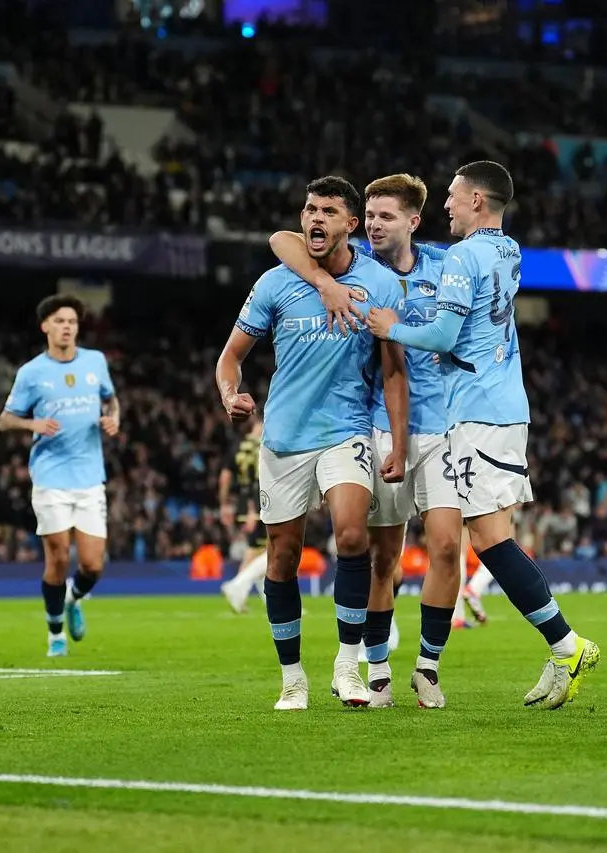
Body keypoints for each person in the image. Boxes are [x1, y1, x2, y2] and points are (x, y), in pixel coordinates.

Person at [367, 161, 600, 710]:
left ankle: (568, 645)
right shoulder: (507, 250)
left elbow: (446, 333)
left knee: (490, 537)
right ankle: (563, 646)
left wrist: (390, 328)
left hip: (480, 411)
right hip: (495, 405)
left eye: (452, 196)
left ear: (476, 200)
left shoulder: (464, 257)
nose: (446, 205)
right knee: (488, 535)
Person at [215, 175, 409, 711]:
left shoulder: (382, 285)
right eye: (309, 210)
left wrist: (397, 442)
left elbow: (394, 373)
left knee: (351, 536)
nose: (315, 219)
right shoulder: (276, 283)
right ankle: (292, 677)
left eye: (328, 211)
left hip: (345, 431)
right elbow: (230, 358)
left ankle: (348, 666)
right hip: (283, 436)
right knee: (283, 556)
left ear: (353, 224)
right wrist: (231, 395)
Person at [267, 173, 460, 709]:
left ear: (413, 222)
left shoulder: (446, 267)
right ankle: (375, 671)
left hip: (441, 424)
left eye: (385, 217)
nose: (375, 225)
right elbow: (282, 239)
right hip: (371, 423)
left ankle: (426, 666)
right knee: (381, 558)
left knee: (446, 546)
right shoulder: (357, 272)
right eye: (369, 216)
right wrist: (327, 285)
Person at [0, 295, 119, 656]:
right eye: (60, 321)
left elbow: (111, 400)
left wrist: (114, 418)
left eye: (72, 321)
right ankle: (55, 634)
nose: (67, 326)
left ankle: (73, 598)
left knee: (93, 564)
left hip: (89, 477)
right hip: (50, 476)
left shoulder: (95, 362)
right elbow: (5, 420)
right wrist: (31, 422)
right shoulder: (31, 372)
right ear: (45, 326)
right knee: (56, 559)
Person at [218, 412, 269, 614]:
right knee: (275, 550)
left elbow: (225, 478)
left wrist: (224, 504)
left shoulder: (237, 447)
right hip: (260, 503)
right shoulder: (262, 447)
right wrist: (252, 509)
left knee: (254, 551)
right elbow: (261, 478)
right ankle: (237, 585)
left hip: (242, 503)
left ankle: (240, 594)